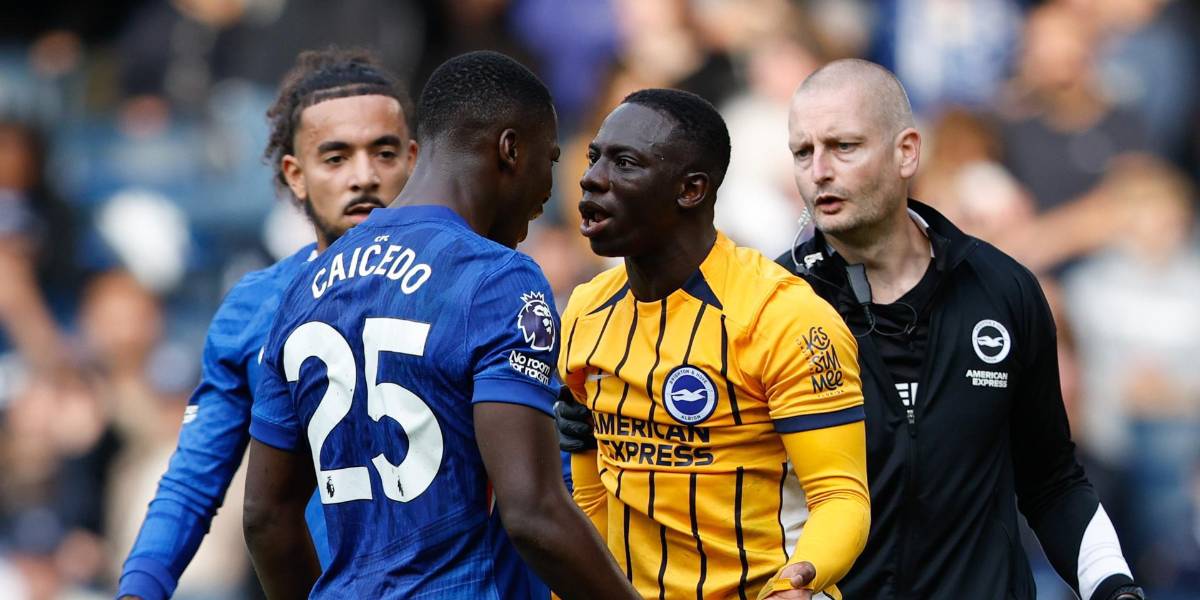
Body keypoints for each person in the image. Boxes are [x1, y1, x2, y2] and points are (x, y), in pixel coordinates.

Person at [243, 50, 638, 600]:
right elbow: (534, 513)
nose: (551, 193)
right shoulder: (497, 278)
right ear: (510, 150)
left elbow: (265, 517)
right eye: (549, 162)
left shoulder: (308, 285)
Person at [775, 59, 1143, 599]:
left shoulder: (1005, 289)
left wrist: (1114, 587)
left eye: (844, 146)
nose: (819, 171)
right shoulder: (773, 303)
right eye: (803, 152)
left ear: (907, 152)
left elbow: (1053, 481)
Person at [115, 47, 418, 600]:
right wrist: (140, 589)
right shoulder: (254, 307)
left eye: (384, 152)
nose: (364, 176)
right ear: (294, 175)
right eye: (335, 157)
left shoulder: (474, 286)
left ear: (414, 162)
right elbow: (193, 481)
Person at [557, 88, 870, 600]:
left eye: (626, 163)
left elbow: (841, 496)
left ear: (691, 189)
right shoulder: (585, 312)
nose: (592, 177)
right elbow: (592, 497)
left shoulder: (785, 317)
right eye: (594, 157)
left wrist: (800, 580)